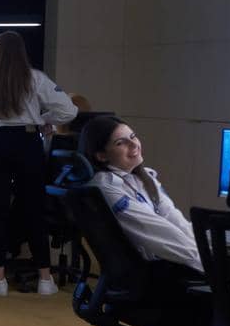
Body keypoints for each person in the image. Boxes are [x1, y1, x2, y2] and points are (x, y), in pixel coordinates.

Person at [0, 31, 77, 296]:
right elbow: (69, 111)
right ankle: (44, 279)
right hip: (26, 143)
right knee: (34, 209)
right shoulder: (35, 79)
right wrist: (42, 120)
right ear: (22, 53)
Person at [77, 116, 202, 274]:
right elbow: (158, 232)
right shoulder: (106, 186)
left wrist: (206, 247)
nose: (134, 144)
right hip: (156, 274)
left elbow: (174, 218)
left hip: (176, 262)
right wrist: (207, 257)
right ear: (102, 155)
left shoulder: (144, 178)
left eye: (133, 136)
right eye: (120, 143)